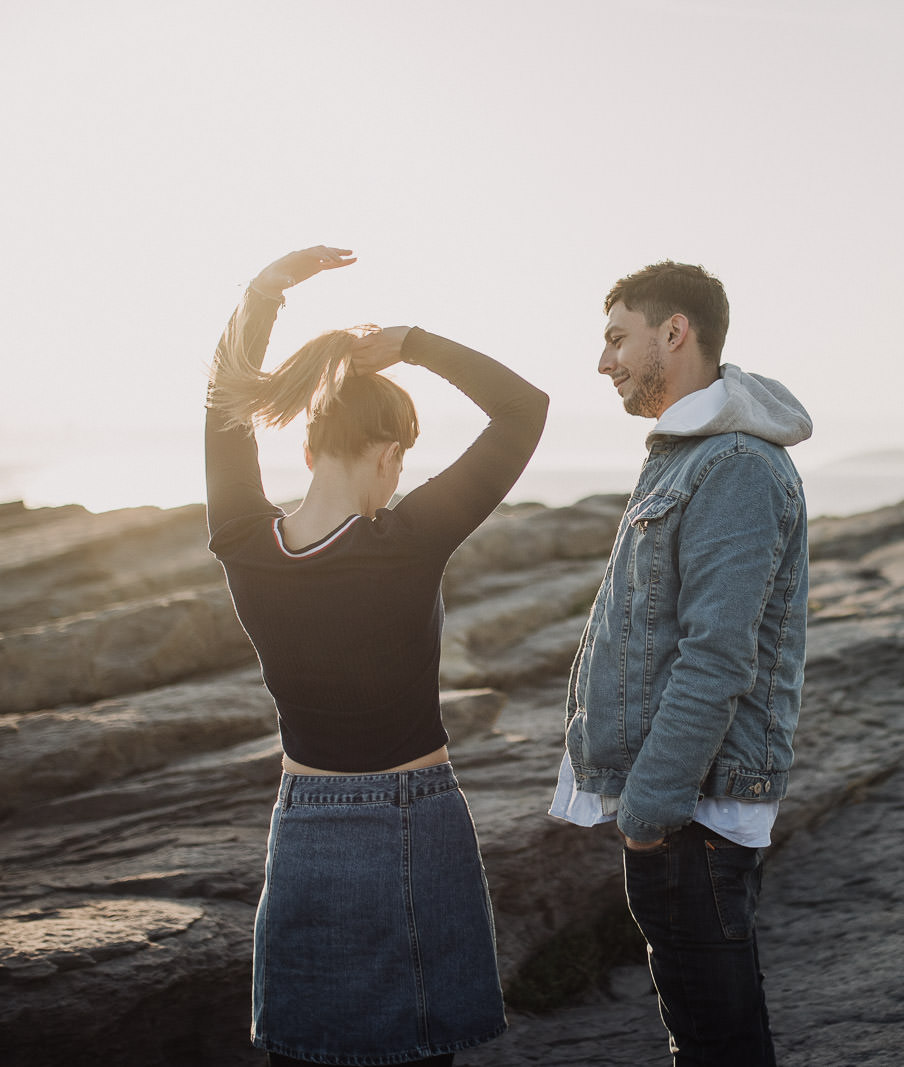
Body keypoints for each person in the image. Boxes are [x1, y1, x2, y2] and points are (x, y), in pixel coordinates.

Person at [205, 245, 548, 1067]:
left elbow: (223, 403)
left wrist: (263, 295)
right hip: (414, 815)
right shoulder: (408, 541)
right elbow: (523, 409)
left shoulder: (245, 543)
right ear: (391, 454)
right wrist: (411, 343)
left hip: (302, 825)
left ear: (309, 448)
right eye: (402, 461)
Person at [550, 260, 812, 1066]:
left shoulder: (731, 465)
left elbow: (715, 658)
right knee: (707, 1037)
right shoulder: (686, 453)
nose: (604, 362)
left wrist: (648, 811)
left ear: (675, 332)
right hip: (679, 810)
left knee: (717, 1046)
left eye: (617, 338)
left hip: (690, 814)